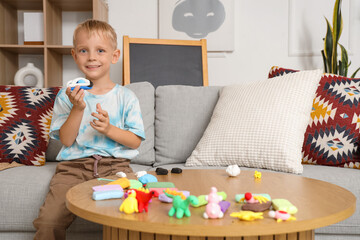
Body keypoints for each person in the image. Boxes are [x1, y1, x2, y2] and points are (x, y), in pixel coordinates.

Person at [33, 19, 145, 240]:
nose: (92, 57)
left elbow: (135, 141)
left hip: (115, 167)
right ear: (75, 56)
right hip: (73, 168)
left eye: (100, 50)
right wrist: (78, 108)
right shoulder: (68, 95)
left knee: (131, 216)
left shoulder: (126, 97)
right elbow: (65, 140)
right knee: (48, 221)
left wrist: (109, 129)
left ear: (114, 56)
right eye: (84, 50)